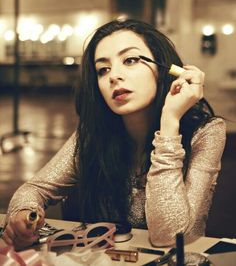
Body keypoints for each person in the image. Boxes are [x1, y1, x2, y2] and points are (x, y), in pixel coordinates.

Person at [1, 19, 226, 250]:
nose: (113, 76)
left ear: (164, 69)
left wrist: (170, 121)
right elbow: (34, 189)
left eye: (130, 60)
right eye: (103, 69)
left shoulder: (206, 133)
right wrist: (24, 214)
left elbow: (169, 236)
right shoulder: (94, 134)